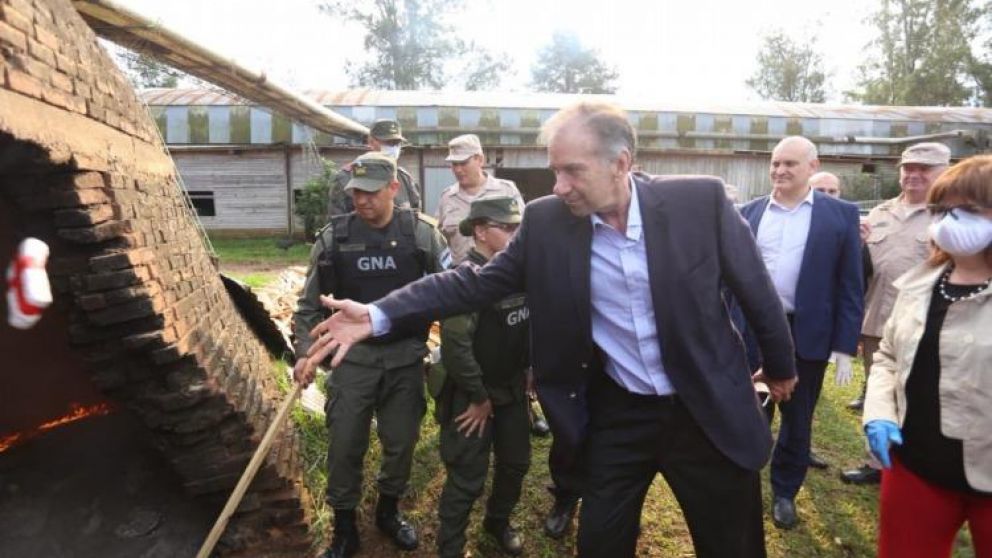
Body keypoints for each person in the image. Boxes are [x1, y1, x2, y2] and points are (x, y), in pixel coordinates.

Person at [301, 101, 798, 558]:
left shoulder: (699, 203)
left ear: (620, 164)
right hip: (621, 411)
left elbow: (756, 291)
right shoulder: (549, 223)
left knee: (730, 543)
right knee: (600, 541)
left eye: (572, 171)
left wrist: (779, 367)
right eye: (554, 170)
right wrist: (377, 314)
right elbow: (472, 284)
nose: (558, 186)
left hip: (703, 407)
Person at [292, 152, 448, 558]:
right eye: (356, 192)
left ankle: (388, 511)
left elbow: (451, 295)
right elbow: (309, 304)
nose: (362, 200)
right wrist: (304, 355)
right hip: (352, 360)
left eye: (371, 192)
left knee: (401, 441)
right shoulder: (334, 238)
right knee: (345, 443)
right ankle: (344, 526)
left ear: (394, 188)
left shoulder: (423, 235)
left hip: (405, 357)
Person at [862, 154, 992, 558]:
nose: (950, 221)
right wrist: (880, 411)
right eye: (941, 210)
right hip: (916, 467)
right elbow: (887, 356)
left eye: (967, 211)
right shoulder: (922, 283)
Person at [739, 136, 863, 530]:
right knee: (748, 411)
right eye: (775, 163)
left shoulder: (839, 215)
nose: (780, 170)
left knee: (797, 417)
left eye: (790, 163)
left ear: (812, 166)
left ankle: (785, 492)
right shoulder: (748, 213)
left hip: (805, 333)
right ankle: (741, 483)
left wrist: (844, 346)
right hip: (752, 332)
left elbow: (850, 285)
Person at [841, 142, 950, 486]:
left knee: (925, 395)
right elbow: (861, 271)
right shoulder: (879, 214)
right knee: (880, 391)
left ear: (943, 172)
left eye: (924, 169)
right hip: (878, 321)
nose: (914, 175)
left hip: (930, 325)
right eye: (908, 168)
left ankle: (921, 466)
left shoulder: (950, 216)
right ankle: (877, 463)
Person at [435, 195, 530, 558]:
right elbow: (456, 347)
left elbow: (528, 326)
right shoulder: (466, 280)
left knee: (516, 462)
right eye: (507, 228)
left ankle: (497, 521)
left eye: (520, 227)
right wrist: (478, 397)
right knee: (467, 476)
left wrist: (530, 368)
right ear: (480, 232)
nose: (517, 234)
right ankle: (451, 547)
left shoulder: (521, 272)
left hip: (512, 388)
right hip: (470, 395)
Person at [436, 134, 524, 264]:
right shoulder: (447, 197)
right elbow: (439, 241)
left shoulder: (506, 190)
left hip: (501, 273)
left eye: (463, 163)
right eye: (454, 164)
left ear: (480, 159)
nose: (458, 170)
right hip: (463, 277)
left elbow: (523, 232)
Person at [327, 119, 422, 217]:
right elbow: (338, 223)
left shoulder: (404, 178)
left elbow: (415, 219)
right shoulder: (346, 177)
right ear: (371, 142)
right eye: (387, 142)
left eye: (396, 143)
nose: (393, 148)